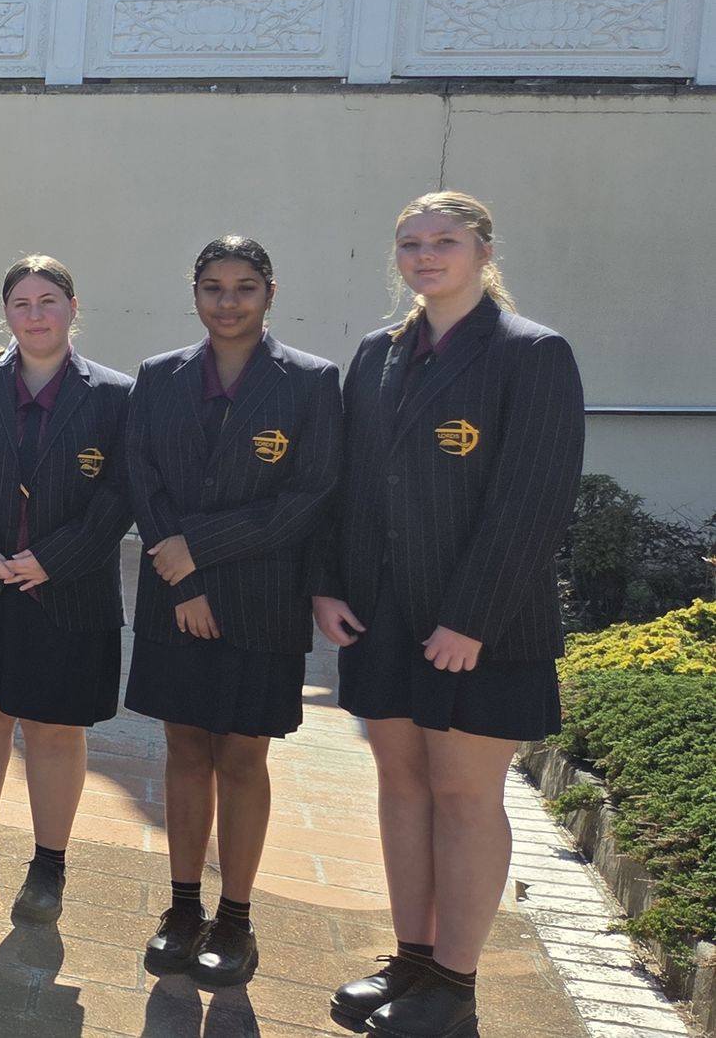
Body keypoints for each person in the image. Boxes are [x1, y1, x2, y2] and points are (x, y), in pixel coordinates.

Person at [315, 193, 583, 1038]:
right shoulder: (377, 352)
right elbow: (344, 481)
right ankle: (412, 959)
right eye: (411, 243)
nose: (426, 255)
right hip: (384, 615)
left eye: (445, 240)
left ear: (483, 250)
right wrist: (328, 585)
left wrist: (472, 617)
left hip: (482, 625)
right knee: (402, 786)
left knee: (464, 794)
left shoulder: (531, 352)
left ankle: (455, 986)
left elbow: (533, 499)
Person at [123, 237, 343, 986]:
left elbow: (311, 494)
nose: (228, 301)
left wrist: (201, 549)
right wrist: (183, 581)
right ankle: (184, 909)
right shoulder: (159, 376)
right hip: (172, 596)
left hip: (261, 601)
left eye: (244, 287)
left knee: (243, 758)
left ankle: (237, 919)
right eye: (213, 287)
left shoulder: (311, 382)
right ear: (194, 294)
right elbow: (142, 477)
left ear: (270, 293)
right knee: (185, 750)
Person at [0, 255, 133, 922]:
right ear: (5, 312)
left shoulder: (115, 394)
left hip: (66, 593)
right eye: (21, 303)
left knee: (54, 728)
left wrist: (53, 558)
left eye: (48, 301)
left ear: (73, 307)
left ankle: (49, 865)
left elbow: (121, 493)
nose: (35, 314)